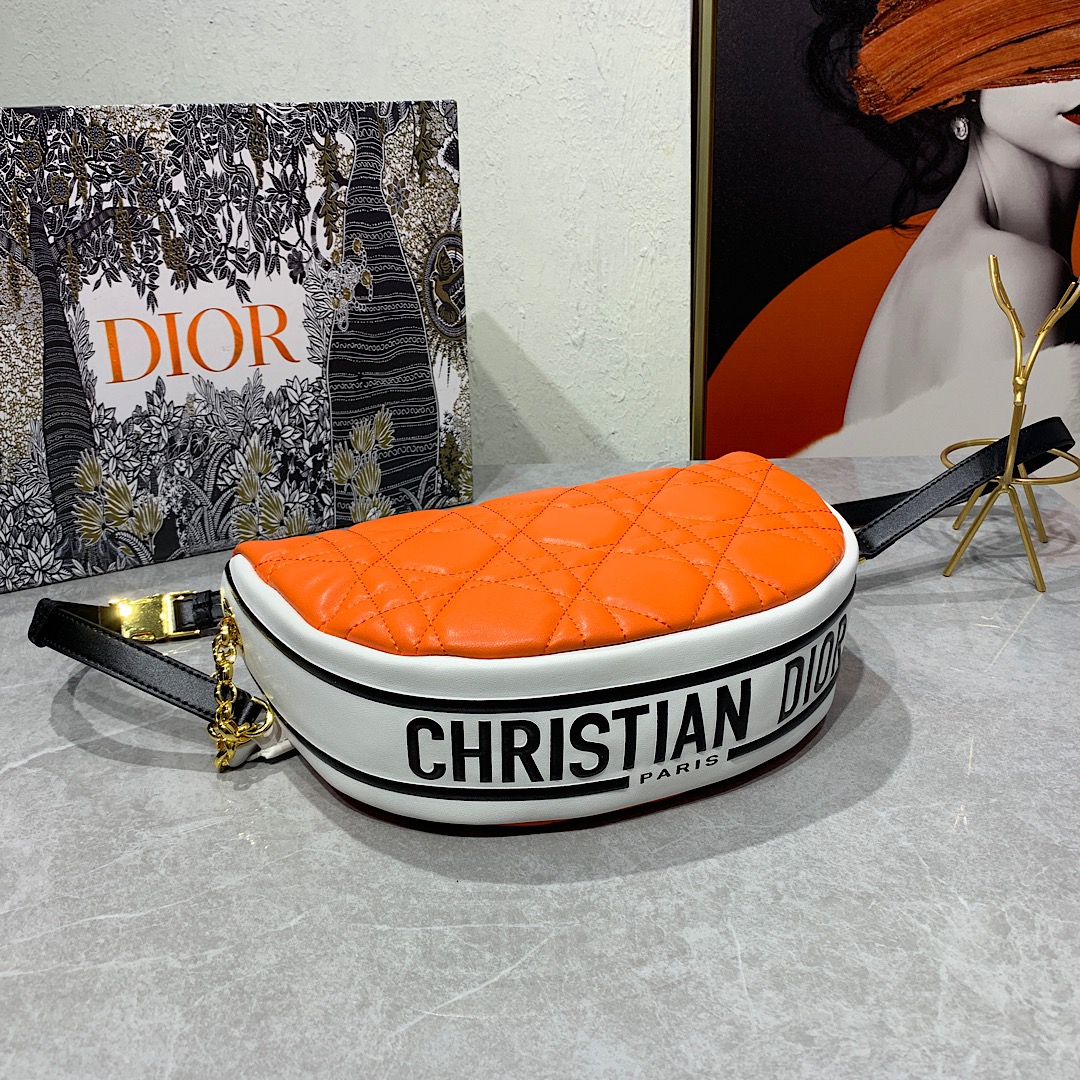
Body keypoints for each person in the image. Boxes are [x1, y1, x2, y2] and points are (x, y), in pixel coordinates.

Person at [802, 0, 1080, 454]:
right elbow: (1023, 501)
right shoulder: (1007, 275)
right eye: (1042, 40)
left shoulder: (964, 254)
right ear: (959, 76)